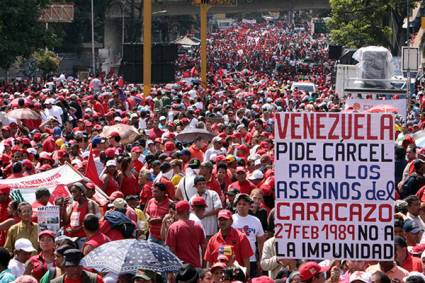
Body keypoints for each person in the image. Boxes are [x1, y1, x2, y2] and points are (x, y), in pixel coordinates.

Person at [204, 209, 253, 276]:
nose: (222, 222)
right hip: (218, 278)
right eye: (220, 219)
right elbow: (209, 263)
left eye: (225, 219)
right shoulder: (212, 240)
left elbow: (246, 262)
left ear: (231, 221)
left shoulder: (241, 237)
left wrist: (246, 278)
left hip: (236, 277)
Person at [231, 193, 265, 278]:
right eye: (239, 204)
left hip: (252, 259)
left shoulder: (256, 221)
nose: (241, 206)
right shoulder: (231, 220)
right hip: (235, 260)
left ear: (249, 205)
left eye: (244, 204)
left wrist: (260, 259)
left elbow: (261, 242)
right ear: (236, 205)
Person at [166, 200, 206, 268]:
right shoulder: (197, 226)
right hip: (196, 266)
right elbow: (204, 247)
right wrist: (204, 266)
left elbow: (171, 250)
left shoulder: (173, 227)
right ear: (188, 211)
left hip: (180, 268)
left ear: (177, 212)